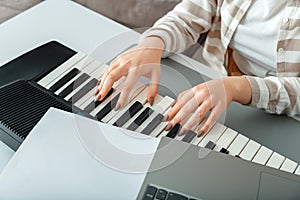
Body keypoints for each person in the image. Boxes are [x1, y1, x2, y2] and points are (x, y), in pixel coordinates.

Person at [95, 0, 300, 136]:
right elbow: (186, 18)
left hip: (282, 119)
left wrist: (237, 87)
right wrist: (152, 44)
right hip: (208, 83)